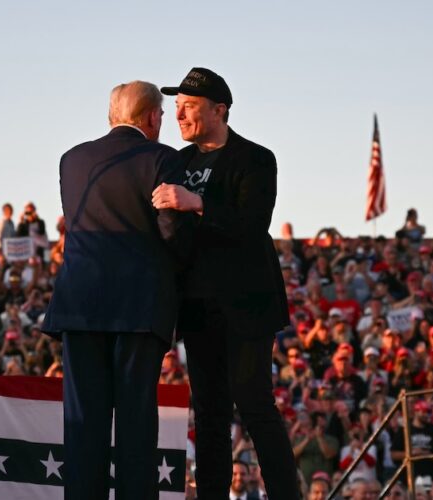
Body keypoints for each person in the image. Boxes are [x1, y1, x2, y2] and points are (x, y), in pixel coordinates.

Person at [152, 67, 300, 499]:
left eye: (189, 107)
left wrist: (197, 202)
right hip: (197, 306)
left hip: (245, 304)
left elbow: (253, 225)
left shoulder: (256, 158)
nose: (179, 115)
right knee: (211, 415)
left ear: (220, 110)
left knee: (255, 407)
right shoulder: (177, 161)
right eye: (176, 107)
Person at [41, 80, 186, 500]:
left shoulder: (72, 160)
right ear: (153, 117)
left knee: (83, 425)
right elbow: (171, 232)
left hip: (80, 307)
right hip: (139, 311)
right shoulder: (163, 159)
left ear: (112, 116)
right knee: (135, 426)